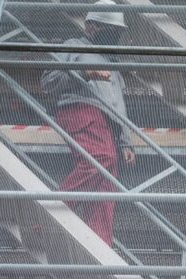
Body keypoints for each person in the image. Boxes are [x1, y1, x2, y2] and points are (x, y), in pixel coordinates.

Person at [40, 0, 134, 246]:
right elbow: (49, 80)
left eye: (116, 33)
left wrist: (126, 142)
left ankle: (99, 243)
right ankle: (56, 213)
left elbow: (118, 105)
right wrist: (84, 73)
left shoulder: (113, 64)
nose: (113, 36)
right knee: (100, 161)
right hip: (79, 108)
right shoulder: (75, 47)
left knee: (108, 182)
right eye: (108, 30)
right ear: (90, 27)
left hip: (106, 123)